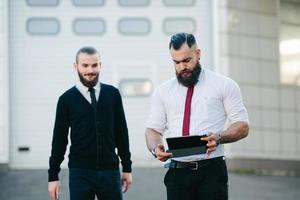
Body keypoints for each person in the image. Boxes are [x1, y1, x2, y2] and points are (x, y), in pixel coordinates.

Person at [145, 33, 249, 200]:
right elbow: (153, 129)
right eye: (176, 62)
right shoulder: (163, 91)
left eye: (187, 60)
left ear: (198, 54)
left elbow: (242, 126)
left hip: (212, 172)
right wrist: (155, 148)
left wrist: (220, 137)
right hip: (177, 174)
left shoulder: (224, 85)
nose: (182, 67)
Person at [48, 47, 132, 200]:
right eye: (85, 65)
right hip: (80, 173)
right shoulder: (66, 100)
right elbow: (59, 140)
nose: (90, 70)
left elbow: (121, 132)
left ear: (100, 65)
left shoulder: (113, 94)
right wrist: (53, 176)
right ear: (76, 66)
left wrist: (127, 167)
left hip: (110, 171)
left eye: (94, 65)